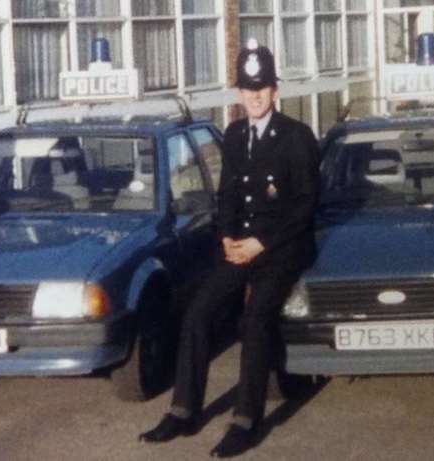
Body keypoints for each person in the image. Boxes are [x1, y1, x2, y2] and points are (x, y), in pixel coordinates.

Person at [139, 39, 320, 458]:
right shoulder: (235, 135)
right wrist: (226, 238)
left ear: (275, 90)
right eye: (247, 88)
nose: (254, 96)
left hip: (281, 247)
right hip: (240, 245)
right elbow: (228, 198)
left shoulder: (296, 136)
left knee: (254, 320)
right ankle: (183, 411)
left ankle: (246, 420)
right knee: (198, 312)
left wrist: (259, 242)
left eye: (261, 88)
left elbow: (305, 206)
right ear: (239, 93)